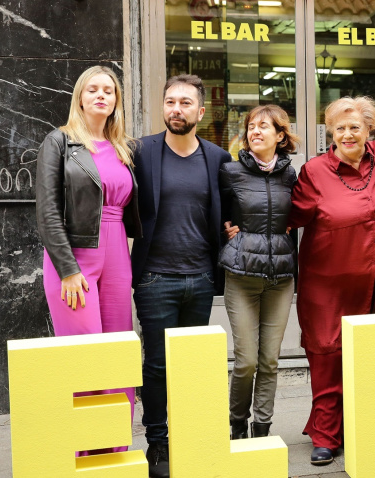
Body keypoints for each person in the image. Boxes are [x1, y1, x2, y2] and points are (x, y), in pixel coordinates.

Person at [287, 96, 375, 466]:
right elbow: (289, 217)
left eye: (355, 127)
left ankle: (367, 426)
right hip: (327, 285)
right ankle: (326, 435)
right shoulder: (314, 171)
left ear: (369, 129)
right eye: (340, 128)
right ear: (330, 131)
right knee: (328, 356)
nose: (347, 134)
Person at [131, 74, 232, 478]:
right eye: (170, 102)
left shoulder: (217, 158)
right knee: (157, 365)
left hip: (201, 278)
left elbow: (232, 207)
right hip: (155, 278)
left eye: (185, 103)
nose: (176, 109)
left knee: (191, 364)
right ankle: (158, 442)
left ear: (201, 112)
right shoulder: (141, 151)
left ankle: (189, 436)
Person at [36, 65, 140, 456]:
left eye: (108, 91)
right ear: (80, 97)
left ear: (116, 101)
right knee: (84, 355)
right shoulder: (59, 142)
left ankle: (114, 451)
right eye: (93, 89)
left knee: (117, 353)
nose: (101, 95)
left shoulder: (124, 148)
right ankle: (83, 453)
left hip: (117, 254)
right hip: (73, 258)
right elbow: (47, 211)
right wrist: (67, 270)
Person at [219, 105, 299, 440]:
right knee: (246, 361)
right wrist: (225, 229)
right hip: (241, 276)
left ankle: (262, 429)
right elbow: (216, 212)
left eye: (264, 126)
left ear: (280, 135)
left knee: (269, 361)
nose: (255, 131)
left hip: (280, 278)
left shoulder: (291, 176)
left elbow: (301, 214)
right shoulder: (230, 171)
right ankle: (237, 423)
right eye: (251, 125)